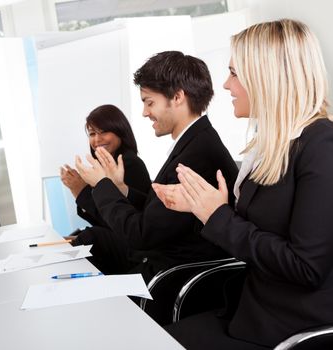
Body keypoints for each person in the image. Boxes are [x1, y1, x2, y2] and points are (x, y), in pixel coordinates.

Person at [154, 19, 333, 349]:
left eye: (234, 73)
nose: (225, 85)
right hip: (250, 312)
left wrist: (218, 216)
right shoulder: (273, 145)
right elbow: (262, 230)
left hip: (289, 330)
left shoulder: (322, 147)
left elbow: (307, 267)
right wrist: (206, 208)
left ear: (267, 78)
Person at [72, 51, 239, 282]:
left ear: (178, 97)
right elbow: (160, 214)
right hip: (162, 265)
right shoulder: (196, 142)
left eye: (150, 102)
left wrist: (101, 184)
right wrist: (121, 189)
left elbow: (142, 234)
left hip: (169, 278)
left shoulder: (196, 155)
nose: (144, 112)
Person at [60, 104, 151, 228]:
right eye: (92, 134)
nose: (97, 139)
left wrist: (80, 190)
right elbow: (100, 220)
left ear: (120, 131)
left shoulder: (128, 163)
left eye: (104, 132)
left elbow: (115, 223)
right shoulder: (101, 167)